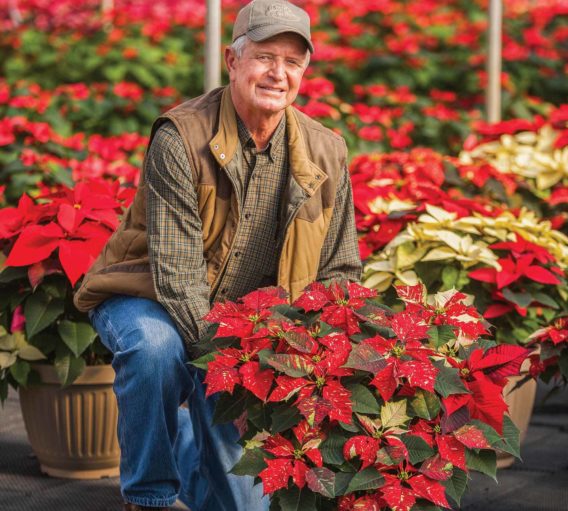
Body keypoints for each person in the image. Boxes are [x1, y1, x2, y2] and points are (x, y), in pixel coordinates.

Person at [74, 0, 362, 509]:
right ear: (232, 60)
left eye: (292, 62)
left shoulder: (327, 150)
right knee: (155, 351)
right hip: (149, 294)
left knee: (240, 504)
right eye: (265, 57)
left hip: (250, 326)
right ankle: (148, 496)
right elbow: (179, 278)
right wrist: (240, 374)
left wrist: (311, 361)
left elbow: (340, 270)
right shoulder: (180, 136)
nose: (278, 73)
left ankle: (188, 449)